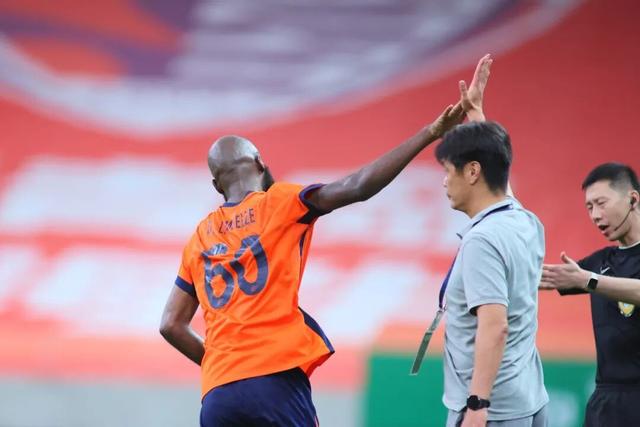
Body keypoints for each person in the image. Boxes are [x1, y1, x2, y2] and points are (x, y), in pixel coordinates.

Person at [158, 54, 494, 427]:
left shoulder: (200, 237)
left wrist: (222, 366)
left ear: (216, 185)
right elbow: (359, 186)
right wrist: (431, 132)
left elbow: (171, 324)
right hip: (273, 381)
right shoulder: (281, 201)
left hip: (218, 397)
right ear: (261, 164)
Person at [436, 60, 548, 427]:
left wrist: (477, 405)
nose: (444, 182)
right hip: (528, 399)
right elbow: (499, 181)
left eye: (447, 171)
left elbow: (494, 325)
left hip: (493, 411)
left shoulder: (482, 240)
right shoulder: (524, 220)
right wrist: (477, 116)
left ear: (472, 171)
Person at [540, 162, 640, 427]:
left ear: (633, 199)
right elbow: (541, 276)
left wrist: (589, 281)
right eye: (589, 207)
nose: (595, 215)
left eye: (601, 203)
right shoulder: (600, 263)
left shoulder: (590, 276)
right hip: (606, 403)